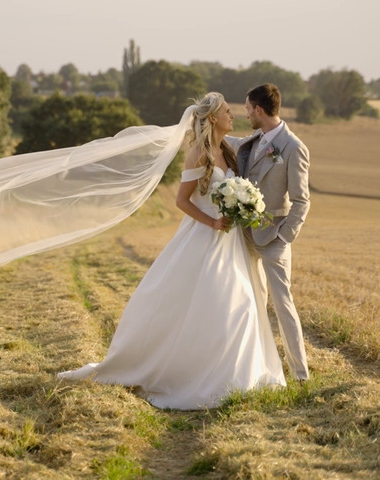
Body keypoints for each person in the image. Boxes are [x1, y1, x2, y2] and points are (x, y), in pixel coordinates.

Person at [57, 92, 286, 409]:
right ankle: (200, 376)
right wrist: (211, 222)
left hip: (231, 242)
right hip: (205, 238)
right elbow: (182, 200)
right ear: (212, 118)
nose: (232, 115)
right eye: (226, 111)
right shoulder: (198, 153)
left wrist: (243, 209)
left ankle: (235, 375)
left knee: (242, 304)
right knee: (223, 303)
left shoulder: (229, 151)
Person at [225, 83, 311, 382]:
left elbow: (302, 201)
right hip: (246, 235)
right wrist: (205, 128)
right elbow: (233, 144)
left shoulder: (294, 147)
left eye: (248, 109)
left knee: (283, 303)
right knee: (249, 300)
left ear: (258, 110)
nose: (246, 114)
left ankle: (301, 374)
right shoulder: (256, 139)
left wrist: (284, 237)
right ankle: (253, 367)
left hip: (274, 238)